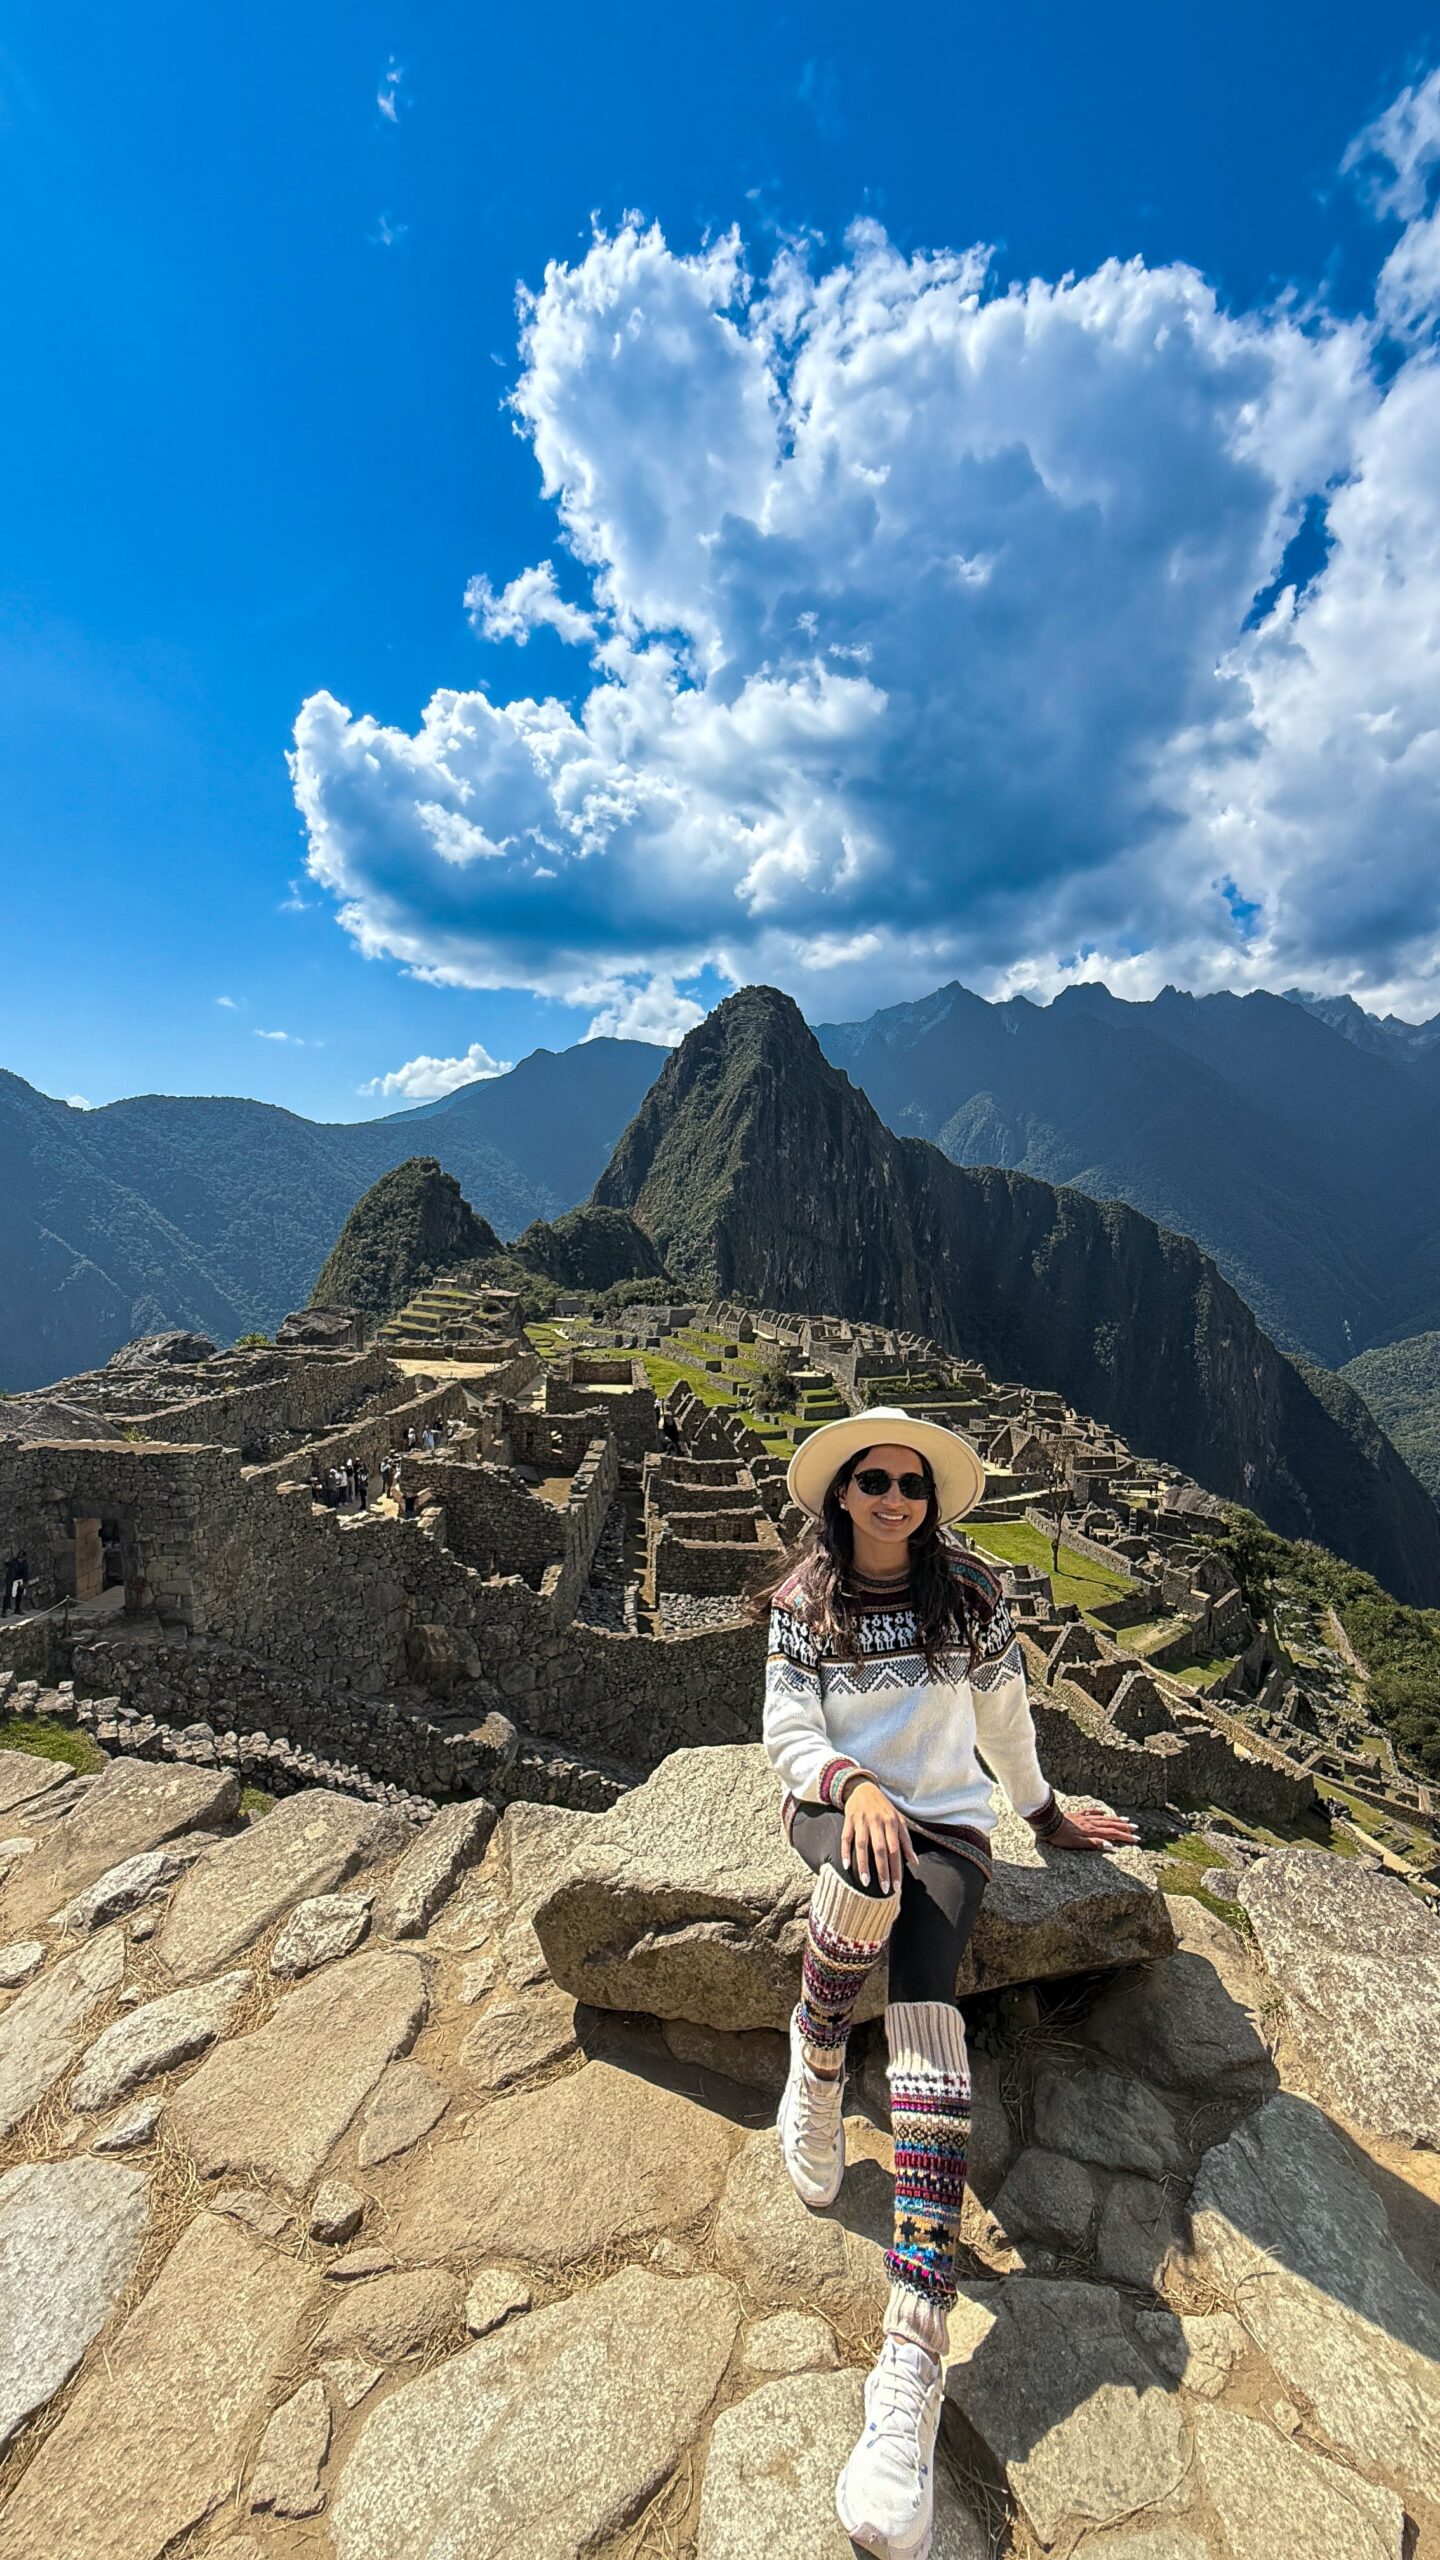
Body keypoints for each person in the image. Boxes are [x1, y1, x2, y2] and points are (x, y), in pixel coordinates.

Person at [756, 1407, 1137, 2560]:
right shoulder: (799, 1606)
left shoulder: (971, 1596)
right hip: (834, 1809)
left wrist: (1042, 1813)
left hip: (951, 1834)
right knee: (861, 1889)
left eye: (910, 1484)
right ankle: (817, 2057)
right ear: (841, 1495)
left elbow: (1005, 1718)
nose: (891, 1498)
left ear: (929, 1499)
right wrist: (848, 1785)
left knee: (929, 2015)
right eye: (871, 1480)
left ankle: (912, 2350)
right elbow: (784, 1725)